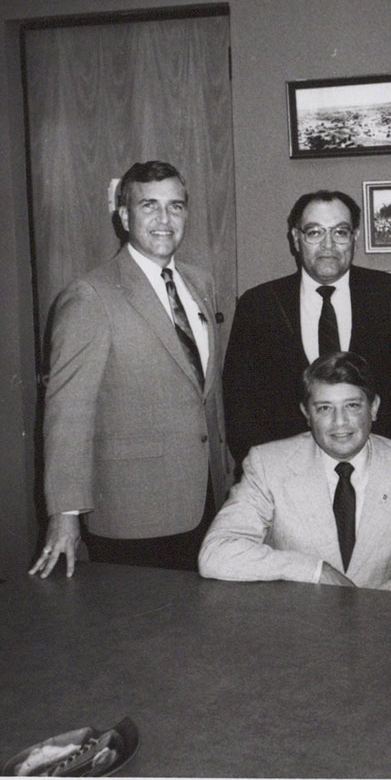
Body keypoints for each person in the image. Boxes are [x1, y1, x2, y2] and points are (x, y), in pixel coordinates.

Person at [29, 160, 232, 578]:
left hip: (204, 494)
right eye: (149, 206)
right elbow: (68, 412)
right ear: (124, 216)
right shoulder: (89, 296)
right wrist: (64, 514)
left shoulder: (201, 283)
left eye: (175, 207)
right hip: (131, 510)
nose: (164, 219)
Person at [199, 352, 391, 594]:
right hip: (297, 624)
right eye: (324, 408)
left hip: (382, 623)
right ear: (306, 414)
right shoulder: (268, 464)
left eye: (352, 405)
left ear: (373, 408)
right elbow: (215, 553)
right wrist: (315, 571)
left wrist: (369, 607)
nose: (340, 422)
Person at [222, 190, 391, 471]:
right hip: (285, 474)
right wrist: (268, 472)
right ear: (295, 239)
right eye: (314, 232)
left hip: (382, 471)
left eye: (340, 232)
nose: (328, 245)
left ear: (355, 237)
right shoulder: (259, 305)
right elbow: (240, 403)